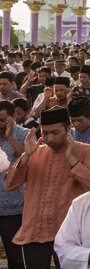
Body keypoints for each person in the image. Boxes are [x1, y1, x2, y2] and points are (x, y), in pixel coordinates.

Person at [5, 106, 90, 268]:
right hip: (35, 231)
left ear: (68, 129)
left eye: (55, 133)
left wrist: (72, 159)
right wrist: (26, 155)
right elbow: (10, 185)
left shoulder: (84, 150)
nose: (50, 138)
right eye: (45, 133)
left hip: (70, 234)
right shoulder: (35, 152)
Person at [0, 99, 27, 269]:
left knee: (15, 256)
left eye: (2, 120)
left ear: (13, 117)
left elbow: (28, 158)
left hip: (13, 206)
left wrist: (10, 137)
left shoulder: (25, 134)